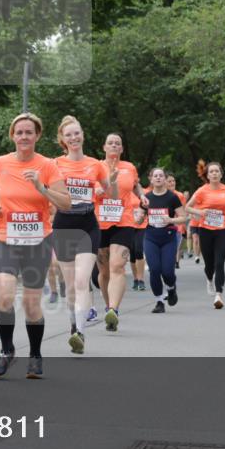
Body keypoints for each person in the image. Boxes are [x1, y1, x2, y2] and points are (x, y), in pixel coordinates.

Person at [0, 113, 70, 379]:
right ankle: (8, 349)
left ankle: (35, 354)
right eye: (19, 132)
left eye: (29, 132)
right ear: (12, 135)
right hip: (4, 239)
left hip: (37, 241)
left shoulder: (48, 166)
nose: (24, 137)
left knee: (32, 305)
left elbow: (66, 203)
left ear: (37, 136)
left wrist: (42, 187)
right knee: (4, 295)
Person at [52, 116, 114, 355]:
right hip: (64, 224)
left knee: (81, 281)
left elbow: (108, 188)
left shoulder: (96, 165)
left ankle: (80, 332)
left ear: (83, 135)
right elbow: (47, 191)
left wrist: (103, 189)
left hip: (88, 224)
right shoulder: (54, 164)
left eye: (76, 133)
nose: (73, 138)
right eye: (68, 135)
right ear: (62, 139)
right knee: (70, 287)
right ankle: (73, 325)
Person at [94, 133, 147, 332]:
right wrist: (97, 191)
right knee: (104, 271)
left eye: (118, 143)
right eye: (110, 143)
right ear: (104, 147)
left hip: (123, 221)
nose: (114, 145)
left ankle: (114, 310)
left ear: (122, 149)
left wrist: (142, 196)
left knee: (118, 265)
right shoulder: (96, 167)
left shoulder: (129, 167)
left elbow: (135, 185)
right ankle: (108, 306)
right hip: (100, 223)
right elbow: (87, 189)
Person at [184, 161, 225, 309]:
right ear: (207, 175)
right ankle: (209, 278)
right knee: (209, 264)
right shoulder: (202, 191)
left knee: (219, 262)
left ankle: (218, 295)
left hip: (224, 229)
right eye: (211, 172)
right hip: (206, 230)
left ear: (221, 174)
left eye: (217, 171)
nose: (214, 174)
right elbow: (187, 207)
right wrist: (200, 212)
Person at [142, 169, 185, 314]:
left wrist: (171, 220)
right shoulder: (146, 197)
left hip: (168, 237)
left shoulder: (172, 197)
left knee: (167, 271)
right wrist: (138, 216)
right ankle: (159, 301)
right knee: (154, 270)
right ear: (151, 179)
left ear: (165, 179)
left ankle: (171, 288)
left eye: (161, 176)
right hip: (151, 236)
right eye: (155, 176)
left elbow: (183, 217)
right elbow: (140, 216)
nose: (158, 178)